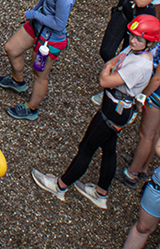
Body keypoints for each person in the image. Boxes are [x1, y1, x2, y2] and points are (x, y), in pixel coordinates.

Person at [31, 16, 160, 211]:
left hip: (113, 110)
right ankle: (101, 193)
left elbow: (105, 80)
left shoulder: (140, 65)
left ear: (150, 43)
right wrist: (110, 67)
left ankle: (60, 185)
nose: (133, 41)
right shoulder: (135, 51)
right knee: (109, 149)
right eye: (132, 36)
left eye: (139, 39)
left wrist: (107, 69)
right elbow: (115, 62)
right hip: (116, 107)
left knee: (86, 148)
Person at [0, 0, 86, 119]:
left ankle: (31, 108)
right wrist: (34, 13)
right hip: (38, 26)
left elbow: (59, 24)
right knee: (11, 49)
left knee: (40, 76)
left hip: (49, 38)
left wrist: (33, 15)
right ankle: (17, 81)